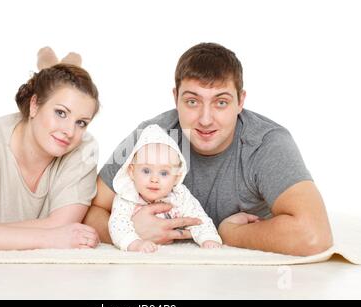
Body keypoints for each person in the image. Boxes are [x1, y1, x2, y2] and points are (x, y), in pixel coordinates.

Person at [85, 42, 333, 256]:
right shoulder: (151, 137)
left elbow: (313, 236)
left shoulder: (266, 144)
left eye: (221, 102)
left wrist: (232, 233)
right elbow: (90, 211)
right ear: (176, 98)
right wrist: (131, 232)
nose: (205, 119)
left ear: (241, 101)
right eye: (192, 101)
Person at [0, 48, 101, 250]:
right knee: (56, 77)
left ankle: (62, 66)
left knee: (58, 81)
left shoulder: (83, 148)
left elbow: (62, 226)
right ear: (34, 105)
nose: (69, 131)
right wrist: (49, 238)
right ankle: (53, 61)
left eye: (82, 123)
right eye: (61, 113)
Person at [109, 124, 222, 253]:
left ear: (176, 177)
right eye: (146, 170)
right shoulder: (127, 196)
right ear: (131, 171)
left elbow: (198, 218)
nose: (154, 179)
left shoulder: (179, 195)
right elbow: (118, 224)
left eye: (164, 173)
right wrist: (135, 244)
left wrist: (207, 238)